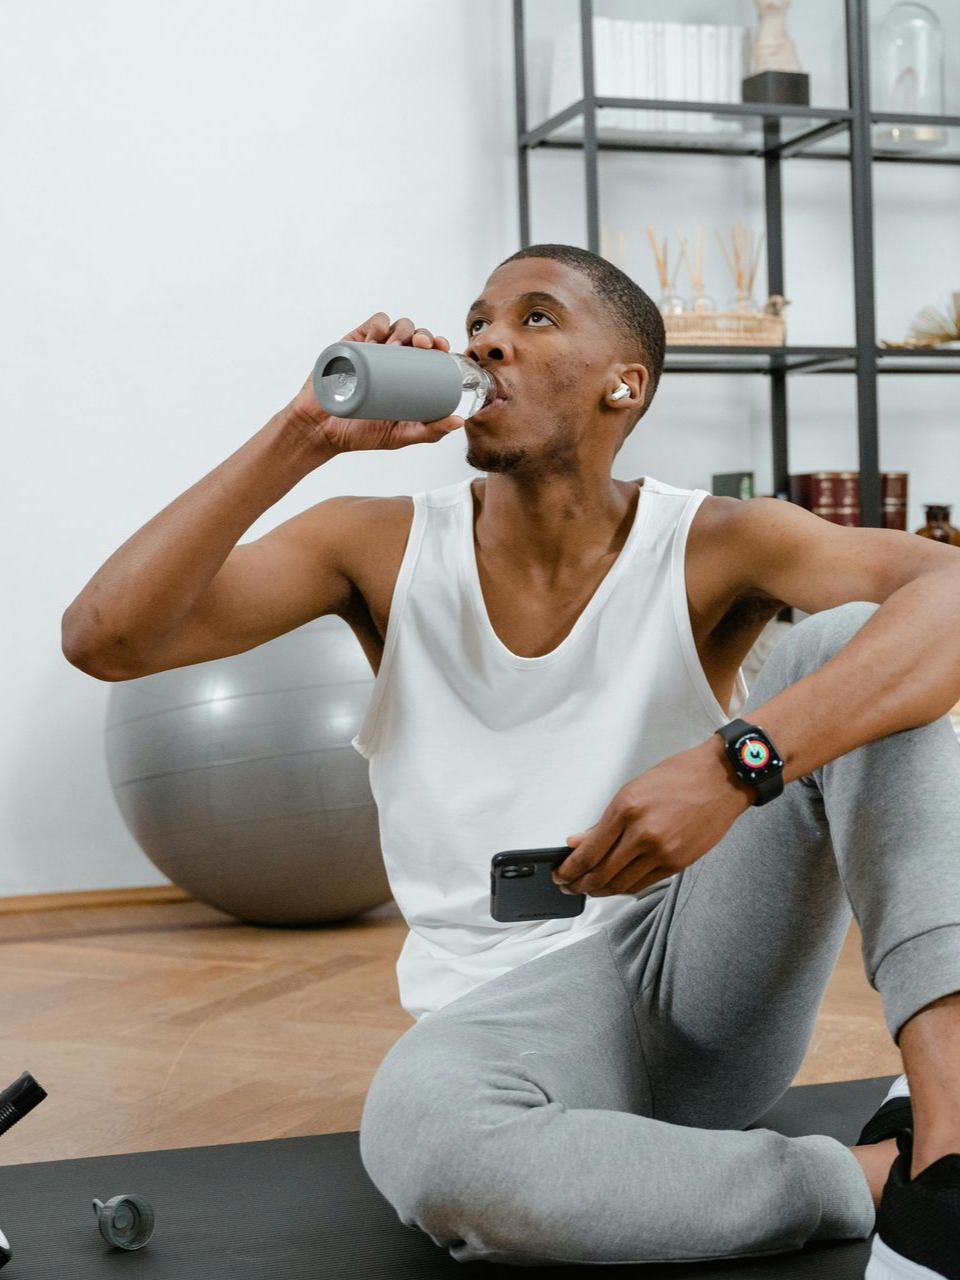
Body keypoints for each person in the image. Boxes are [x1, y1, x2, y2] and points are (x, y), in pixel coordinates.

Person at [62, 244, 960, 1274]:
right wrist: (305, 433)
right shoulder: (376, 543)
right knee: (429, 1143)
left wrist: (731, 765)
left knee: (859, 641)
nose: (486, 336)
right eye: (479, 317)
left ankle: (948, 1157)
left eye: (536, 318)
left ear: (627, 382)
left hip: (694, 966)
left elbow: (950, 594)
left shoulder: (716, 541)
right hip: (500, 1028)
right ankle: (861, 1177)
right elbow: (106, 636)